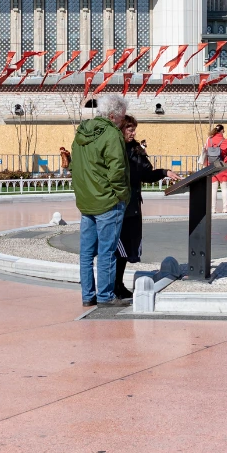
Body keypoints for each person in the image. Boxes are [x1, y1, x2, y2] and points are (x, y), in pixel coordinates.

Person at [70, 93, 130, 308]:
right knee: (107, 252)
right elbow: (117, 171)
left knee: (86, 253)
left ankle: (88, 296)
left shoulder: (81, 133)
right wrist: (123, 195)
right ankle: (105, 296)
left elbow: (73, 166)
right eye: (122, 118)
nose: (123, 122)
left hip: (86, 201)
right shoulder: (112, 134)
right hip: (107, 202)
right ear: (114, 116)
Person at [113, 116, 175, 299]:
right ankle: (112, 285)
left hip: (132, 205)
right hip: (118, 204)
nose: (133, 133)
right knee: (117, 248)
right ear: (121, 129)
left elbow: (145, 175)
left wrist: (164, 172)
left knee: (126, 248)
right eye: (130, 129)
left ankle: (118, 284)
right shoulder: (115, 148)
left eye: (134, 129)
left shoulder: (135, 149)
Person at [205, 124, 227, 214]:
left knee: (213, 188)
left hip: (212, 166)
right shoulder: (226, 141)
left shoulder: (209, 140)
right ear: (222, 131)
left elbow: (206, 151)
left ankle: (213, 209)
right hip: (223, 165)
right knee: (224, 188)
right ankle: (225, 209)